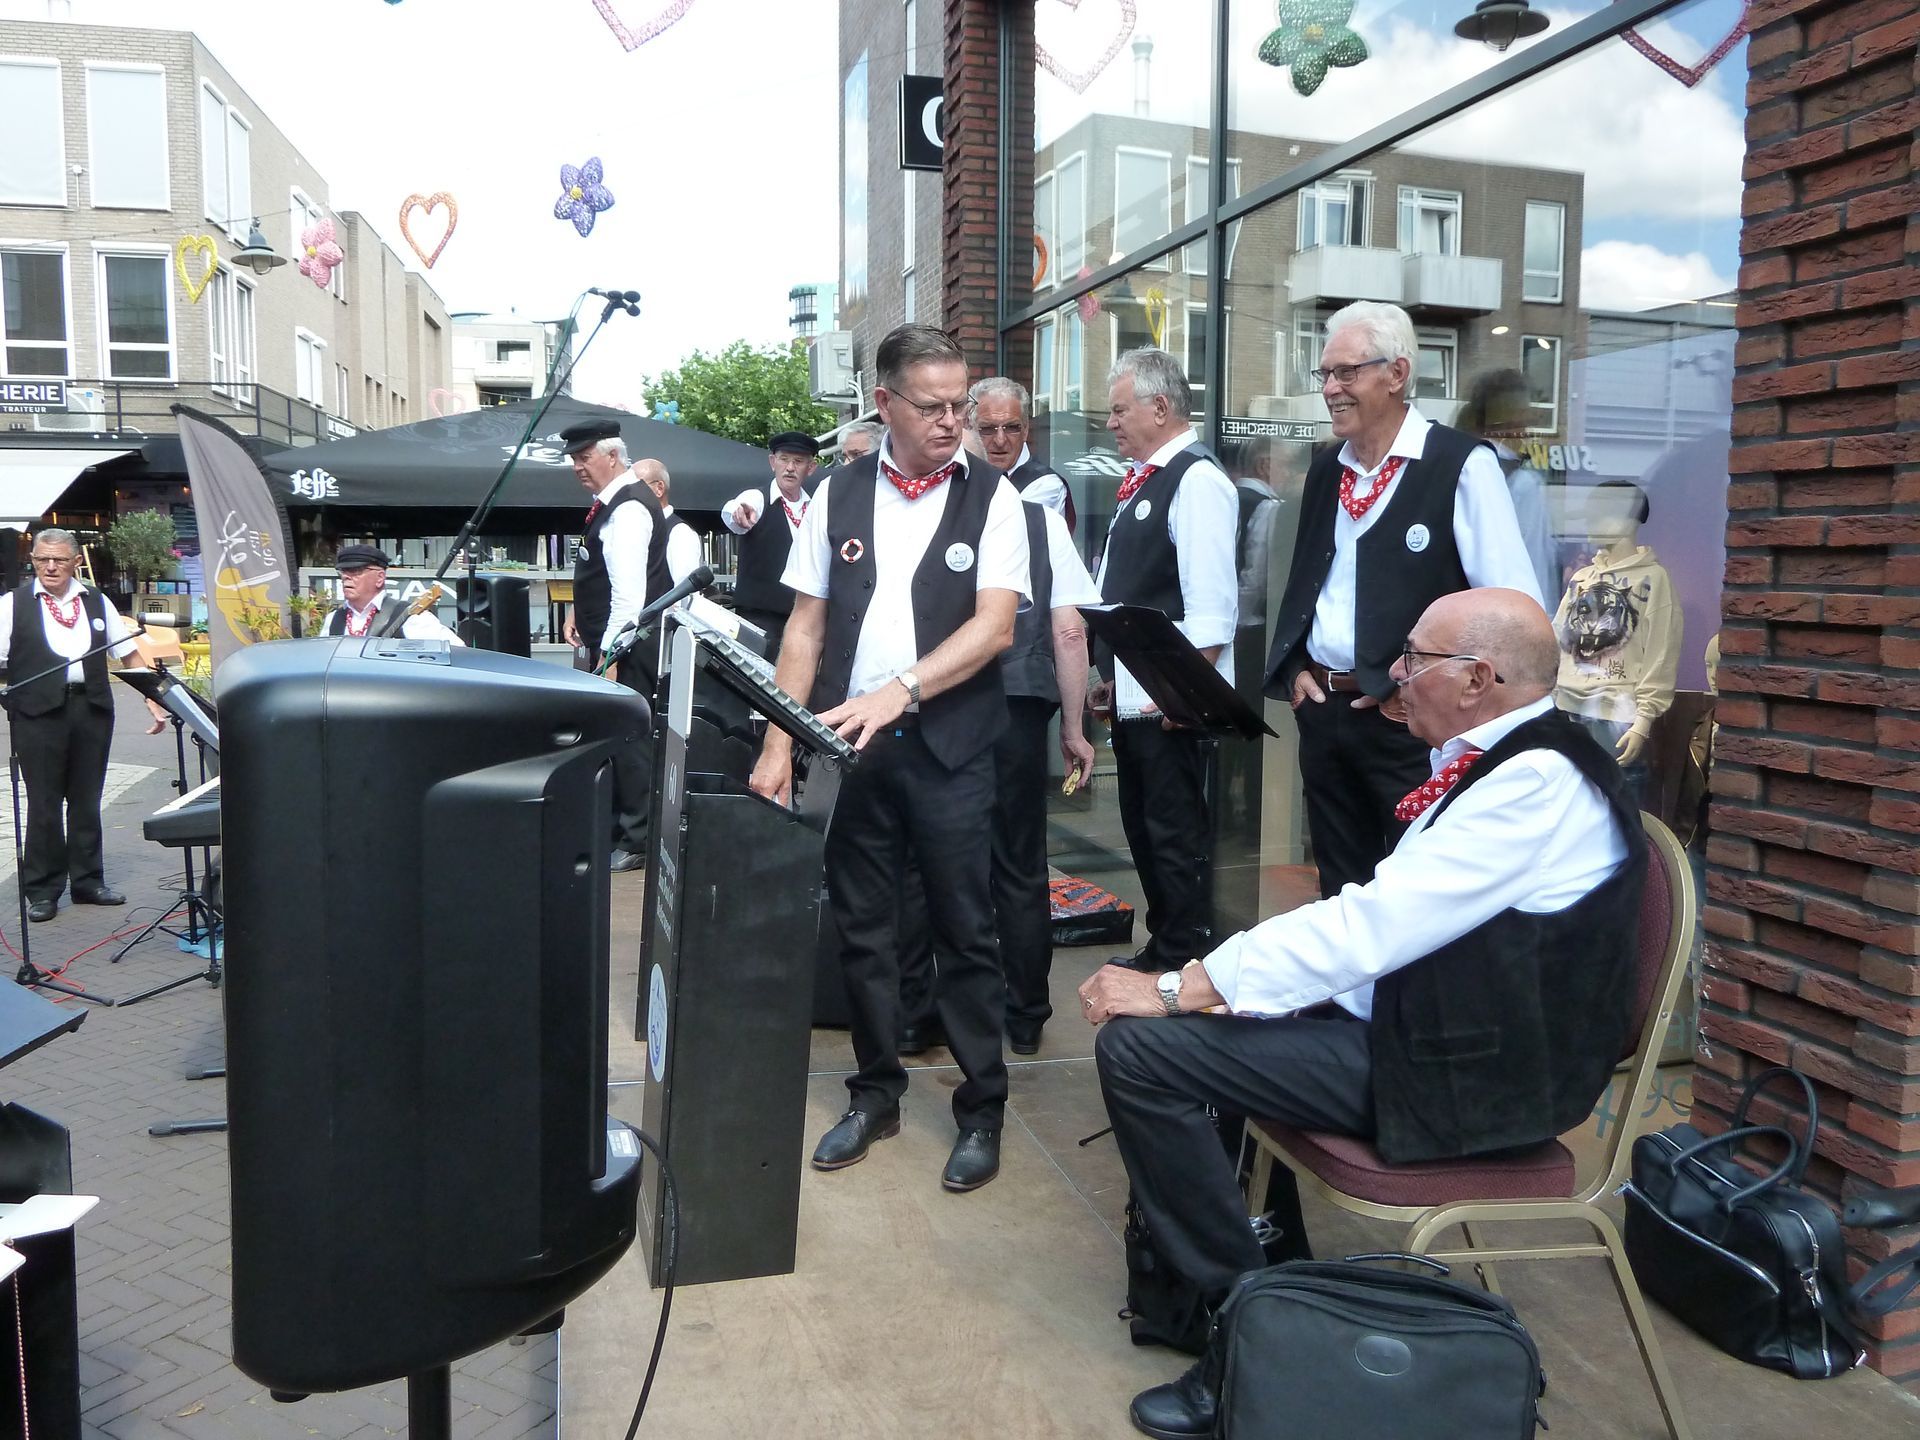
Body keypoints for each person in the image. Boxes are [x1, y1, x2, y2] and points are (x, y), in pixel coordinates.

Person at [1082, 588, 1644, 1440]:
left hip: (1474, 1076)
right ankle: (1276, 1282)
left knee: (1141, 1051)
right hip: (1432, 1032)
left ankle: (1250, 1325)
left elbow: (1373, 926)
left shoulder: (1536, 783)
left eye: (1414, 658)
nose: (1393, 675)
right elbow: (1385, 923)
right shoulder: (1507, 758)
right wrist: (1232, 989)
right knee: (1228, 1023)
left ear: (1478, 678)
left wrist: (1176, 986)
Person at [749, 323, 1030, 1193]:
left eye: (961, 405)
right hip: (852, 748)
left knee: (964, 930)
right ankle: (875, 1094)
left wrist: (900, 691)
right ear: (884, 403)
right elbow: (805, 628)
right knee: (864, 932)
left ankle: (982, 1108)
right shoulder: (835, 493)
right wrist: (777, 741)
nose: (953, 421)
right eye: (933, 406)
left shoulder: (996, 498)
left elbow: (994, 627)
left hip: (951, 748)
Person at [1266, 302, 1543, 901]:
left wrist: (1428, 692)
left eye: (1346, 372)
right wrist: (1294, 670)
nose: (1330, 388)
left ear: (1397, 373)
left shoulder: (1460, 465)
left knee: (1417, 893)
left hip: (1412, 726)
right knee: (1340, 890)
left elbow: (1514, 614)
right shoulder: (1326, 470)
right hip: (1325, 713)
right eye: (1325, 374)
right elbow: (1308, 587)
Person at [1092, 349, 1238, 974]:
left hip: (1170, 705)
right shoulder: (1148, 479)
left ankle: (1183, 956)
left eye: (1119, 410)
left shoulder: (1196, 480)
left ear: (1159, 407)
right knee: (1146, 830)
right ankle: (1165, 946)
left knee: (1173, 834)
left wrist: (1185, 695)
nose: (1111, 423)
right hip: (1139, 697)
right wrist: (1112, 680)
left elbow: (1211, 607)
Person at [995, 494, 1100, 1053]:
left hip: (939, 699)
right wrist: (1073, 727)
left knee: (936, 854)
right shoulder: (1041, 520)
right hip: (1019, 704)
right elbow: (1069, 631)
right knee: (1019, 861)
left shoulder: (933, 503)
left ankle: (925, 1009)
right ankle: (1026, 1012)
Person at [0, 529, 146, 920]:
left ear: (76, 562)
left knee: (86, 799)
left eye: (59, 560)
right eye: (42, 559)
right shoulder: (12, 605)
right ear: (33, 560)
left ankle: (88, 882)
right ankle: (42, 890)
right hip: (37, 714)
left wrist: (154, 700)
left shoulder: (97, 601)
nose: (50, 567)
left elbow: (129, 654)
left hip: (91, 709)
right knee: (44, 803)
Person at [560, 418, 670, 872]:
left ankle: (637, 836)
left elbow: (629, 595)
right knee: (618, 736)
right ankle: (621, 828)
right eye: (574, 459)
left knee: (630, 740)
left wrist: (610, 656)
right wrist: (578, 610)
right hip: (619, 643)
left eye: (584, 457)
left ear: (611, 456)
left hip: (629, 647)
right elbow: (604, 573)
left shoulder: (627, 509)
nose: (577, 467)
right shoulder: (615, 502)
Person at [723, 431, 820, 656]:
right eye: (784, 459)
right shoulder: (757, 498)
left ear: (811, 468)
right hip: (760, 619)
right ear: (772, 462)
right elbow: (734, 509)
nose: (790, 468)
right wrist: (738, 511)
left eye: (798, 461)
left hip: (804, 618)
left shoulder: (815, 507)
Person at [969, 375, 1075, 534]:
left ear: (1025, 430)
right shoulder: (962, 475)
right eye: (988, 429)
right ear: (969, 429)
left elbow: (1006, 535)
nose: (1000, 440)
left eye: (1011, 428)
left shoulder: (1045, 485)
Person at [321, 544, 464, 642]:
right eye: (343, 572)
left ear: (380, 578)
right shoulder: (333, 619)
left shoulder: (411, 617)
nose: (346, 577)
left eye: (356, 571)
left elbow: (457, 651)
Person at [635, 459, 703, 585]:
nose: (629, 495)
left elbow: (684, 590)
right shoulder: (637, 529)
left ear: (659, 488)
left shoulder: (680, 533)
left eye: (637, 487)